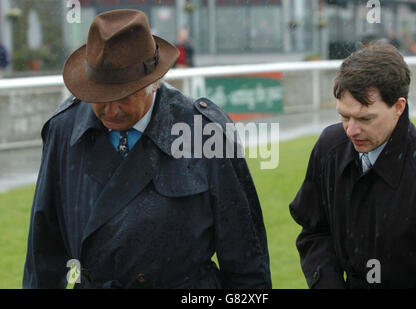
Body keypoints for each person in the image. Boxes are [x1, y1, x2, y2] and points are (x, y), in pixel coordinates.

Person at [23, 9, 271, 289]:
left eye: (124, 96)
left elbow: (246, 257)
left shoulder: (205, 131)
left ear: (153, 84)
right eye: (100, 97)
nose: (111, 110)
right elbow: (43, 251)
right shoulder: (63, 129)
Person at [290, 42, 416, 289]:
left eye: (365, 119)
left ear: (398, 107)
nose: (351, 130)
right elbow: (314, 231)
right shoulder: (329, 148)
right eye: (344, 116)